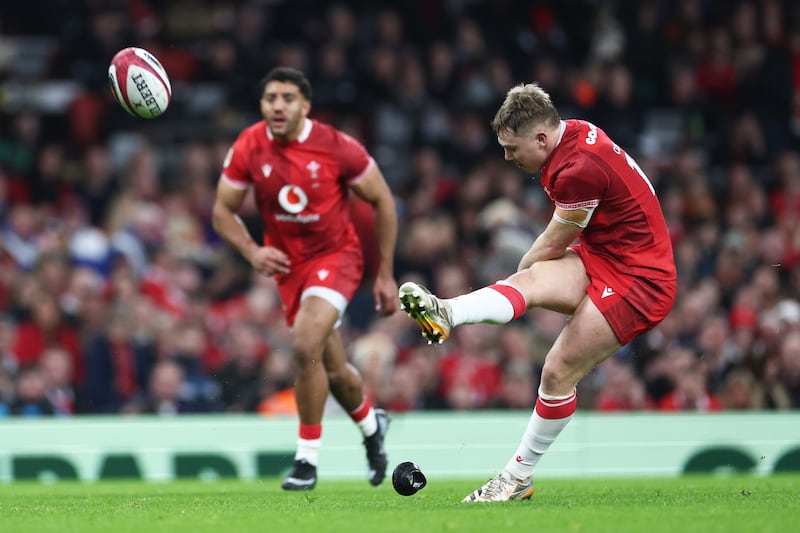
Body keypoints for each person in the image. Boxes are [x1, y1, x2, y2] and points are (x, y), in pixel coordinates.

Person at [399, 82, 676, 502]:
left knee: (555, 370)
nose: (508, 158)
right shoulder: (574, 134)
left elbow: (550, 244)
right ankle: (445, 312)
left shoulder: (579, 167)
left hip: (641, 280)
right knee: (527, 283)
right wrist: (524, 285)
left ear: (541, 138)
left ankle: (517, 477)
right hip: (606, 256)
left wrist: (522, 276)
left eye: (513, 149)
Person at [212, 67, 399, 490]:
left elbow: (383, 199)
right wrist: (251, 250)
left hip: (337, 257)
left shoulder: (335, 146)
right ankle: (373, 428)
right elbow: (221, 211)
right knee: (333, 369)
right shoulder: (248, 145)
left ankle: (306, 461)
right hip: (289, 270)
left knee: (302, 343)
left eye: (288, 98)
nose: (278, 106)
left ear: (305, 106)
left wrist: (384, 273)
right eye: (270, 98)